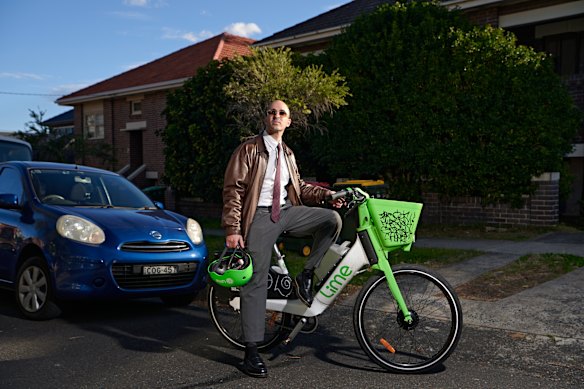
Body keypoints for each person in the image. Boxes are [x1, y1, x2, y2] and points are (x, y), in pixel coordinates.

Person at [222, 99, 343, 378]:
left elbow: (298, 187)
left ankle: (306, 275)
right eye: (272, 112)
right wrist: (232, 229)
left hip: (286, 212)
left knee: (331, 220)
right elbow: (233, 190)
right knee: (256, 281)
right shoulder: (250, 149)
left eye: (282, 113)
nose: (276, 116)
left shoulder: (287, 153)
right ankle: (251, 351)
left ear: (289, 121)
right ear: (266, 118)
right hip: (260, 218)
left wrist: (328, 196)